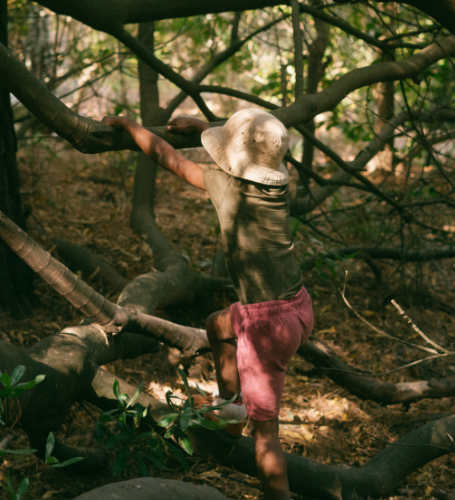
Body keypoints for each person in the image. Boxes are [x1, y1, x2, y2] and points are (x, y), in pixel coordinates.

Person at [103, 108, 313, 500]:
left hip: (267, 326)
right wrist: (201, 128)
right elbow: (247, 157)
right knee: (217, 324)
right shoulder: (277, 185)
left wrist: (131, 126)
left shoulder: (226, 186)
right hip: (298, 306)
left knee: (266, 438)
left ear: (232, 159)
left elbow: (170, 159)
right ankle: (231, 411)